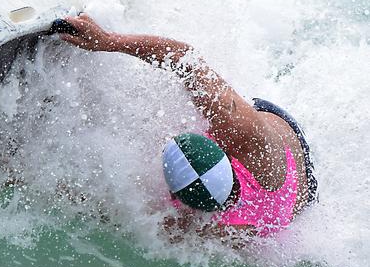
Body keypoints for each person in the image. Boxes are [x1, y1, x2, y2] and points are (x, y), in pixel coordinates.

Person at [60, 13, 318, 239]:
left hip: (292, 184)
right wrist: (108, 42)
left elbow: (185, 56)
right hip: (274, 172)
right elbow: (183, 59)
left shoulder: (215, 228)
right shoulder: (239, 133)